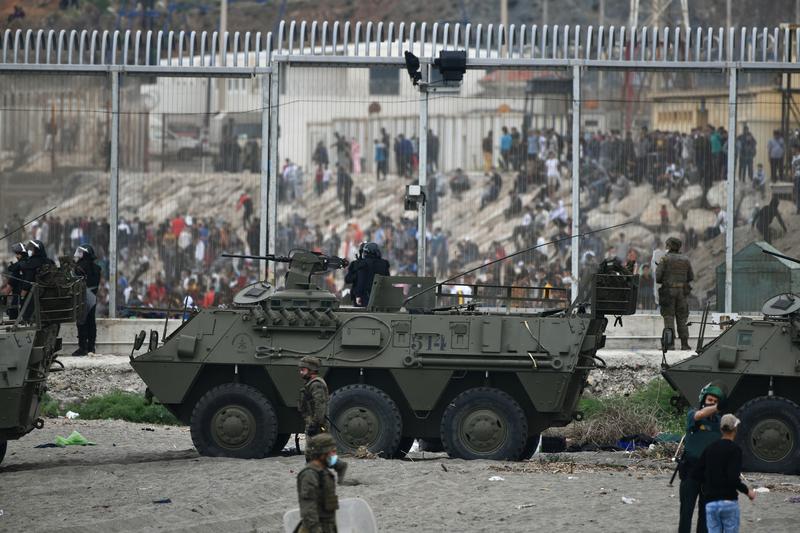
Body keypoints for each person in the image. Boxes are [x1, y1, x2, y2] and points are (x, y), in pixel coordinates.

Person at [691, 414, 756, 533]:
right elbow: (733, 478)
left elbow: (696, 473)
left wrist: (708, 484)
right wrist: (748, 492)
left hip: (710, 502)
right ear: (735, 429)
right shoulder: (735, 450)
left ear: (721, 429)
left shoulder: (710, 448)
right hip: (728, 501)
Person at [678, 383, 725, 533]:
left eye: (715, 401)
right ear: (703, 399)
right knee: (686, 513)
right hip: (690, 471)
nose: (711, 403)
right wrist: (718, 407)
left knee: (705, 517)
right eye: (710, 399)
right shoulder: (693, 414)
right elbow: (699, 415)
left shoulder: (720, 422)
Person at [298, 356, 347, 482]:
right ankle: (338, 466)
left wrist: (315, 424)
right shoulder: (311, 384)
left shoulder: (316, 385)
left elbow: (320, 406)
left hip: (318, 423)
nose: (300, 372)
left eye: (303, 369)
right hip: (315, 422)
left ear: (311, 370)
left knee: (312, 451)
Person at [296, 433, 340, 533]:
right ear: (322, 453)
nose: (335, 456)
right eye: (332, 452)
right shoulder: (309, 475)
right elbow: (308, 509)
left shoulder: (324, 472)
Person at [656, 237, 694, 350]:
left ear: (669, 246)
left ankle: (670, 344)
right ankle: (685, 344)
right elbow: (691, 277)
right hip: (682, 293)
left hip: (668, 292)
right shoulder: (686, 260)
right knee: (682, 318)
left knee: (668, 318)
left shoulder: (665, 259)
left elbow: (658, 277)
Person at [74, 244, 101, 356]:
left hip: (83, 296)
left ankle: (82, 347)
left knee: (81, 322)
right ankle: (91, 347)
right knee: (91, 322)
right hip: (93, 296)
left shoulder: (79, 267)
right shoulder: (97, 267)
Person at [344, 242, 390, 307]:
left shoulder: (362, 264)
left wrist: (358, 295)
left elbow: (360, 281)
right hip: (381, 300)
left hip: (364, 300)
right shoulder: (384, 264)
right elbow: (387, 280)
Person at [20, 240, 55, 321]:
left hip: (34, 297)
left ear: (36, 250)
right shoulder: (49, 262)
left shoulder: (31, 263)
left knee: (27, 316)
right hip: (49, 296)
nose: (30, 251)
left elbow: (27, 283)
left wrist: (21, 297)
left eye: (32, 249)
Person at [5, 242, 27, 319]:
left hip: (18, 299)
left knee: (13, 317)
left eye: (18, 254)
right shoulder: (30, 263)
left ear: (21, 254)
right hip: (29, 300)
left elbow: (10, 285)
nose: (16, 256)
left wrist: (4, 297)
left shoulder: (18, 267)